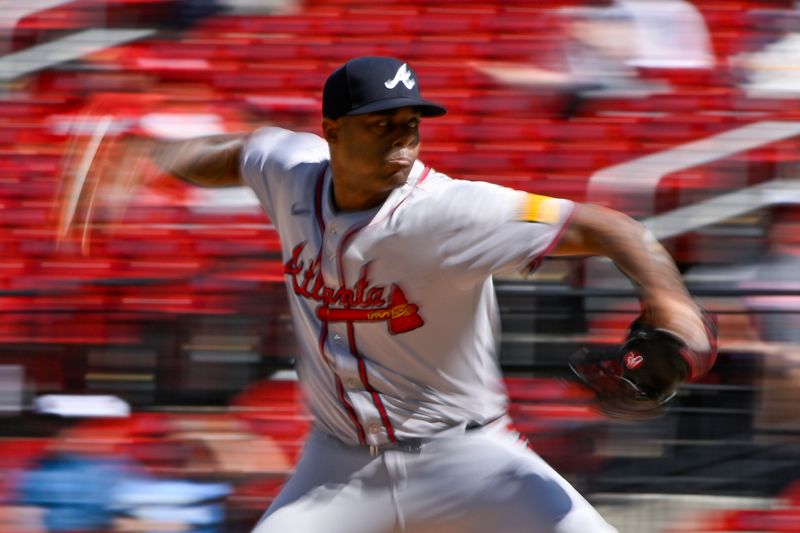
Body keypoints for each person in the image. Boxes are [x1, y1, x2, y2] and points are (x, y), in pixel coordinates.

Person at [132, 56, 713, 533]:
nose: (401, 140)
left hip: (468, 459)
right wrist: (148, 158)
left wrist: (674, 313)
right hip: (339, 466)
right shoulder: (293, 169)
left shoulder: (450, 211)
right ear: (332, 131)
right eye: (380, 123)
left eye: (410, 123)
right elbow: (239, 153)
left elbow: (617, 229)